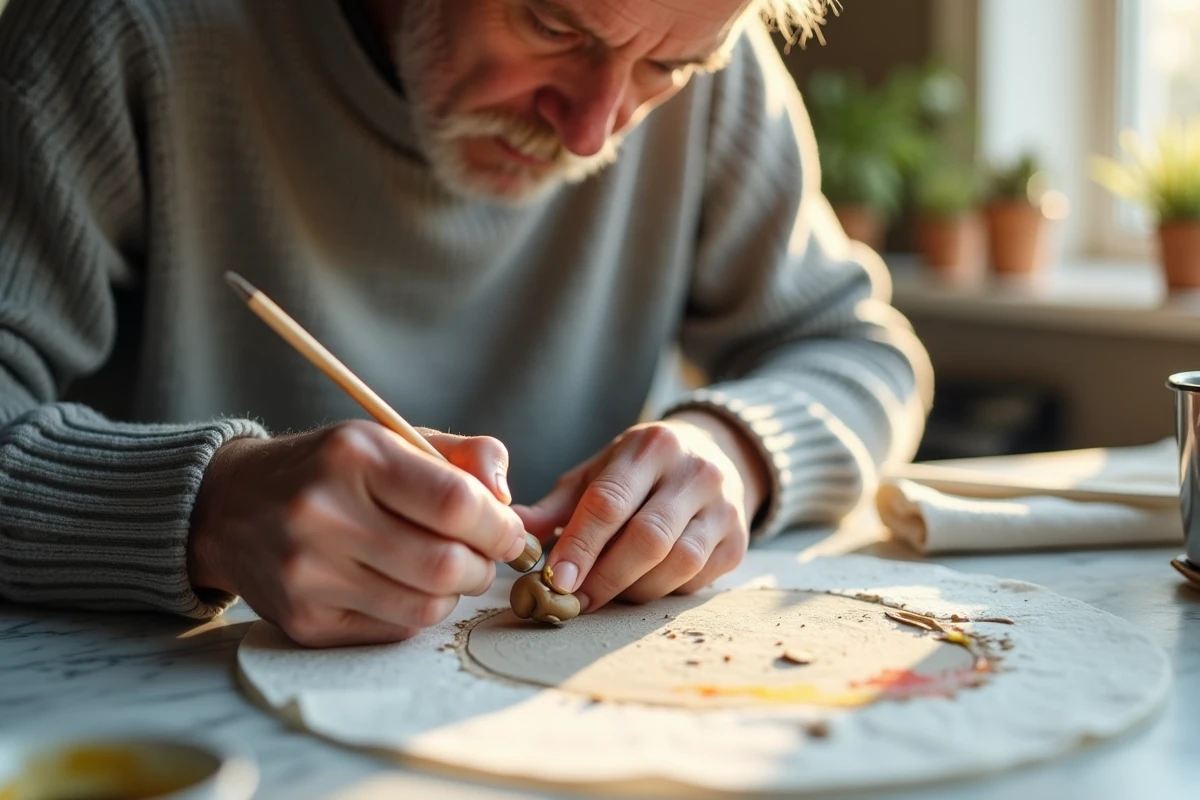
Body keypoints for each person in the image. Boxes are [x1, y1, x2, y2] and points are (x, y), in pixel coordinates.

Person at [0, 0, 932, 647]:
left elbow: (857, 351)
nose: (592, 131)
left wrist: (734, 448)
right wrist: (208, 509)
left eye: (664, 68)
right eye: (553, 22)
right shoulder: (126, 32)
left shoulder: (711, 66)